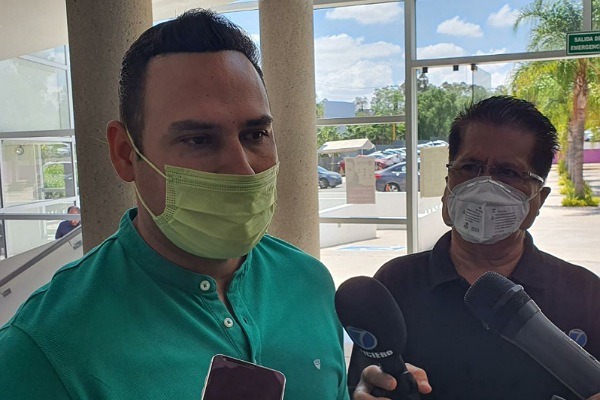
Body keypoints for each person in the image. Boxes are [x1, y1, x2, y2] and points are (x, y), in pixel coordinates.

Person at [0, 10, 348, 399]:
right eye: (198, 139)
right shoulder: (44, 350)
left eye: (255, 134)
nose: (243, 170)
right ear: (125, 154)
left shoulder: (309, 282)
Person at [348, 96, 600, 400]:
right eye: (469, 167)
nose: (484, 186)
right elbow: (363, 380)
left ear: (538, 200)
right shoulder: (395, 283)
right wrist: (367, 390)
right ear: (447, 187)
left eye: (508, 172)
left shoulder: (586, 295)